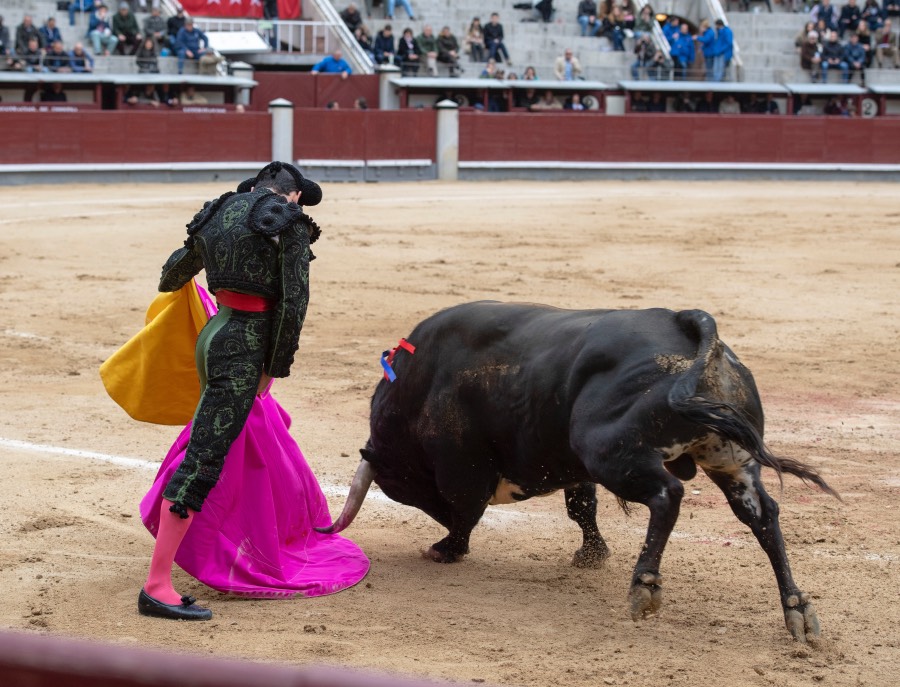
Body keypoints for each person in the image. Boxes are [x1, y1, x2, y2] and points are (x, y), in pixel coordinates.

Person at [136, 163, 323, 620]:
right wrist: (274, 367)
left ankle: (231, 537)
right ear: (295, 195)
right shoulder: (288, 222)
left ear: (254, 187)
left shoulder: (217, 211)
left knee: (212, 443)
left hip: (214, 335)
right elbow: (294, 304)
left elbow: (171, 276)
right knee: (205, 456)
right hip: (245, 348)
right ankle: (156, 586)